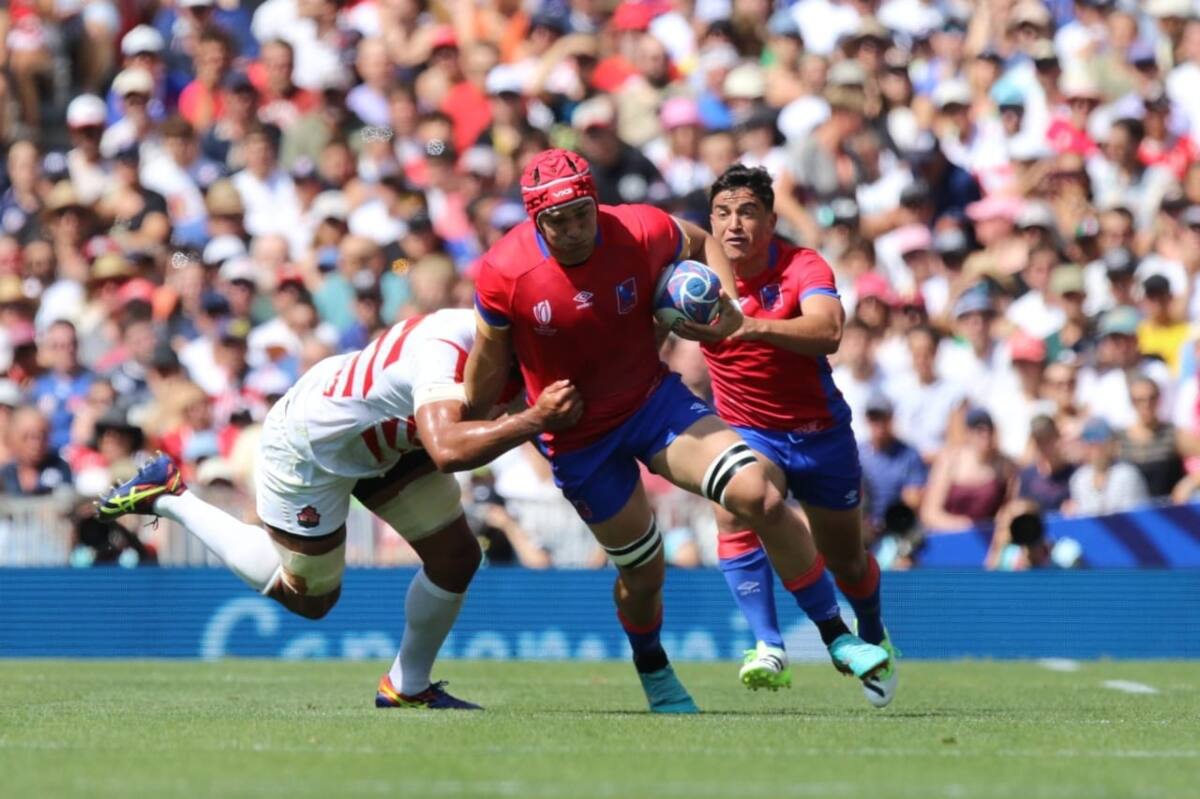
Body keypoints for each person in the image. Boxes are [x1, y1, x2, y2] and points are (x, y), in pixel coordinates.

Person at [465, 150, 888, 714]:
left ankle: (836, 635)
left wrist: (727, 307)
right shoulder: (504, 270)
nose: (573, 230)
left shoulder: (639, 228)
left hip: (652, 403)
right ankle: (654, 667)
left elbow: (700, 241)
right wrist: (519, 412)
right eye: (557, 222)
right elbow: (486, 371)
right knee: (644, 575)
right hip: (578, 436)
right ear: (535, 220)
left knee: (756, 494)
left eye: (582, 215)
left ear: (595, 201)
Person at [97, 309, 582, 710]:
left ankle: (407, 686)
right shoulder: (445, 349)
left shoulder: (508, 348)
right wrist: (534, 419)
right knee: (310, 599)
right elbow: (450, 450)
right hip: (314, 444)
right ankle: (171, 495)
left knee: (457, 557)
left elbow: (543, 429)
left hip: (386, 437)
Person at [696, 164, 900, 707]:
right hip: (749, 431)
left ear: (770, 221)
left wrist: (750, 326)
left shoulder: (801, 264)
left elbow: (829, 330)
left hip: (820, 436)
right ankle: (768, 645)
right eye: (722, 213)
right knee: (736, 503)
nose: (734, 224)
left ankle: (873, 634)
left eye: (747, 212)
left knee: (847, 561)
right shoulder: (693, 280)